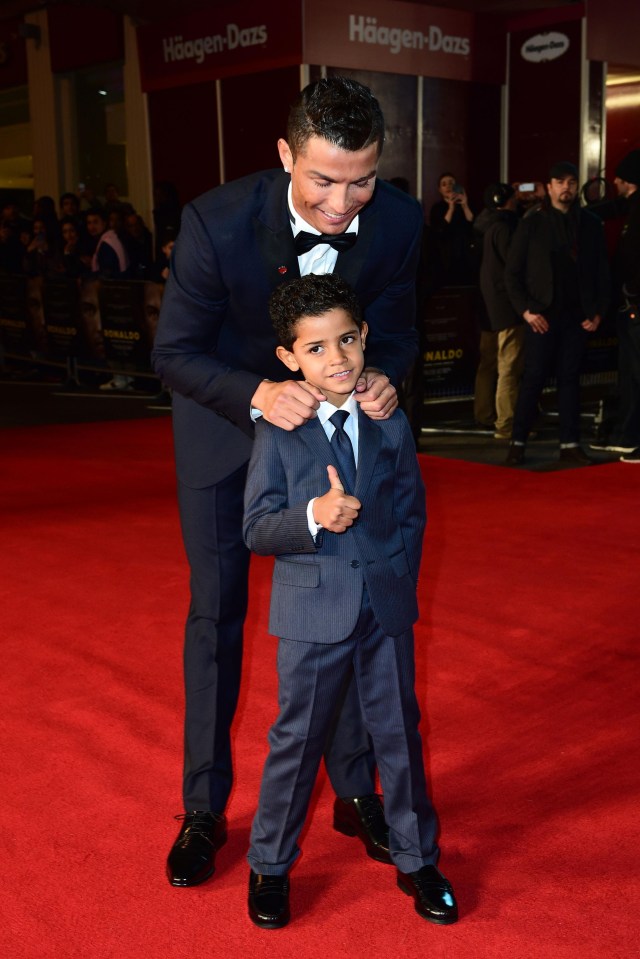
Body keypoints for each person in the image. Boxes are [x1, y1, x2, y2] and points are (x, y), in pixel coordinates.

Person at [152, 75, 424, 889]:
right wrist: (260, 395)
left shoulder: (401, 222)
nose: (346, 202)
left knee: (344, 609)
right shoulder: (216, 220)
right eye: (324, 179)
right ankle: (204, 806)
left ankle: (353, 791)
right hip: (227, 437)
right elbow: (173, 353)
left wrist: (384, 378)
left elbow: (401, 334)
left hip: (337, 443)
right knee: (218, 613)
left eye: (364, 179)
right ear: (284, 156)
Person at [242, 273, 457, 930]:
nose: (336, 360)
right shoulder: (281, 430)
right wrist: (313, 514)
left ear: (364, 337)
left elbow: (411, 512)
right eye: (315, 349)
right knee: (296, 739)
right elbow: (256, 526)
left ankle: (417, 858)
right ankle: (270, 863)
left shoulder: (388, 417)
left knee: (399, 732)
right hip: (312, 612)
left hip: (384, 607)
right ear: (289, 358)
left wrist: (396, 578)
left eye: (346, 341)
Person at [504, 161, 610, 466]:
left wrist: (599, 311)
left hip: (578, 316)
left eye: (572, 182)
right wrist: (525, 311)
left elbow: (603, 270)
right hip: (541, 316)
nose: (567, 187)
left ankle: (570, 443)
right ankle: (517, 442)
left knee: (570, 379)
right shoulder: (531, 222)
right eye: (560, 182)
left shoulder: (590, 223)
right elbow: (512, 273)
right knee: (533, 378)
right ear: (549, 186)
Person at [588, 149, 640, 463]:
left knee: (634, 372)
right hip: (631, 306)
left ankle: (630, 438)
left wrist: (628, 292)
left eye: (620, 177)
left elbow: (631, 259)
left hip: (634, 307)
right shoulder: (630, 208)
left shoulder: (637, 214)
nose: (615, 181)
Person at [473, 183, 525, 439]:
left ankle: (484, 414)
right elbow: (513, 270)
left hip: (487, 307)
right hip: (505, 308)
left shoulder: (482, 224)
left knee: (488, 365)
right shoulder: (507, 228)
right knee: (509, 367)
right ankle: (506, 424)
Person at [429, 172, 477, 286]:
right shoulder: (437, 208)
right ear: (440, 190)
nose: (448, 186)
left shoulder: (465, 205)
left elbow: (473, 224)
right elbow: (440, 229)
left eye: (451, 183)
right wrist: (451, 208)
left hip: (464, 253)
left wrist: (465, 204)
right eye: (444, 184)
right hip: (445, 255)